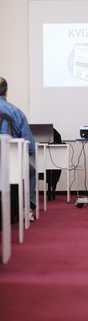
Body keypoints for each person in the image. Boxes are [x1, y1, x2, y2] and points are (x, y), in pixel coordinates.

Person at [0, 77, 36, 220]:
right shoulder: (16, 112)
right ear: (6, 92)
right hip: (10, 164)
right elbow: (30, 147)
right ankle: (26, 209)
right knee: (31, 171)